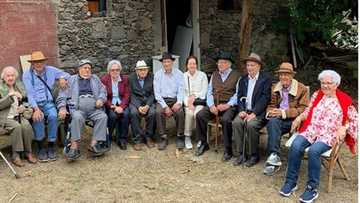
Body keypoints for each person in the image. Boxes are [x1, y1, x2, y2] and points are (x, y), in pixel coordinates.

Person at [279, 70, 357, 203]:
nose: (325, 86)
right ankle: (291, 182)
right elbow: (309, 110)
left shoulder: (344, 99)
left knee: (314, 151)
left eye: (329, 83)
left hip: (328, 135)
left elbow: (355, 120)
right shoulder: (317, 94)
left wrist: (344, 127)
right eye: (323, 83)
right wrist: (299, 117)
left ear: (336, 84)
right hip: (311, 130)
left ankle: (312, 188)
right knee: (296, 145)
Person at [263, 62, 309, 175]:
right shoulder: (275, 87)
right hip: (278, 119)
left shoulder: (302, 89)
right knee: (272, 122)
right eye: (281, 74)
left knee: (273, 125)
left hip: (294, 120)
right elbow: (271, 104)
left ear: (292, 76)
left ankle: (273, 158)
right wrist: (271, 112)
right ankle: (274, 156)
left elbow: (303, 109)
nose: (283, 77)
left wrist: (283, 113)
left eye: (286, 74)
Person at [23, 51, 69, 162]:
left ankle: (51, 144)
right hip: (35, 104)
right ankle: (40, 147)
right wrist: (36, 109)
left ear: (44, 62)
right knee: (38, 118)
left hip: (48, 103)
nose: (39, 64)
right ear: (32, 64)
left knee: (53, 116)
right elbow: (30, 94)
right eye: (36, 62)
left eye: (41, 61)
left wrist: (62, 78)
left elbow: (67, 75)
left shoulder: (51, 70)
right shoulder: (27, 74)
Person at [58, 59, 109, 160]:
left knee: (103, 116)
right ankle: (74, 147)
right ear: (79, 69)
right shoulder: (72, 80)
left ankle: (94, 144)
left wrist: (101, 99)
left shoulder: (95, 79)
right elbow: (62, 94)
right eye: (85, 68)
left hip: (94, 109)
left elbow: (103, 91)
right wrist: (62, 108)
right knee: (76, 117)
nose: (87, 70)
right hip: (78, 109)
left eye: (89, 68)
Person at [195, 51, 240, 160]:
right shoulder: (214, 74)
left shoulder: (237, 75)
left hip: (229, 106)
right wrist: (211, 106)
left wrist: (228, 105)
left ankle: (228, 149)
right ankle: (204, 143)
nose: (220, 65)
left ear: (229, 64)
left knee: (226, 120)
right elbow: (209, 92)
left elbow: (238, 94)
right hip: (214, 104)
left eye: (223, 62)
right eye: (219, 62)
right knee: (200, 115)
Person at [232, 53, 272, 167]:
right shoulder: (243, 79)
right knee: (237, 122)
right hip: (245, 110)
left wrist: (254, 113)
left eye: (252, 65)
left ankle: (253, 155)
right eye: (248, 65)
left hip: (259, 112)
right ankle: (241, 153)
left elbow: (265, 98)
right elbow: (239, 97)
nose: (249, 68)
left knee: (250, 125)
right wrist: (241, 110)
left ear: (259, 66)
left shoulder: (265, 79)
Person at [0, 66, 37, 166]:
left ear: (15, 77)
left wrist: (23, 107)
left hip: (19, 115)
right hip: (5, 117)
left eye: (12, 75)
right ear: (3, 77)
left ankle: (28, 152)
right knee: (17, 127)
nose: (10, 78)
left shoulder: (19, 86)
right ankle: (16, 155)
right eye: (8, 76)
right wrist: (10, 96)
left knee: (26, 126)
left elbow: (25, 101)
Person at [154, 52, 185, 150]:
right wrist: (165, 106)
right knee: (158, 112)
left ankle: (180, 136)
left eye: (168, 61)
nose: (166, 64)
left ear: (172, 62)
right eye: (164, 62)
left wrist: (179, 102)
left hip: (175, 99)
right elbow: (157, 93)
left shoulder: (179, 74)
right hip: (162, 100)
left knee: (180, 112)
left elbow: (181, 90)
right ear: (162, 63)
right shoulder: (158, 75)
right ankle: (163, 137)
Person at [101, 60, 130, 150]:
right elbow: (103, 95)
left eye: (117, 70)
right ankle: (108, 137)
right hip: (110, 103)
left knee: (126, 114)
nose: (115, 72)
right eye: (112, 70)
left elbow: (127, 94)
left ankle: (122, 138)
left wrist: (121, 106)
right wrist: (111, 106)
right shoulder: (104, 79)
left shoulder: (125, 79)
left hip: (121, 103)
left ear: (120, 70)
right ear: (109, 71)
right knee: (112, 116)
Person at [128, 60, 156, 150]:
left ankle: (149, 137)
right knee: (133, 113)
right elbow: (131, 94)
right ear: (136, 71)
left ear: (147, 70)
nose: (143, 72)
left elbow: (153, 93)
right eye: (140, 70)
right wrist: (138, 106)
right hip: (136, 102)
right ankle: (137, 139)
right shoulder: (131, 78)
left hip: (148, 101)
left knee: (152, 113)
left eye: (144, 70)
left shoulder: (152, 77)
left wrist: (147, 105)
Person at [183, 56, 208, 150]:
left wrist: (194, 96)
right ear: (187, 65)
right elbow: (182, 92)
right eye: (190, 63)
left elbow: (204, 91)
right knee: (189, 114)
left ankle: (200, 138)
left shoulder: (202, 75)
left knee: (197, 114)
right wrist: (188, 103)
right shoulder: (184, 76)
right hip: (188, 102)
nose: (192, 65)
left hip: (199, 101)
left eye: (194, 63)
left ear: (197, 65)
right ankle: (187, 137)